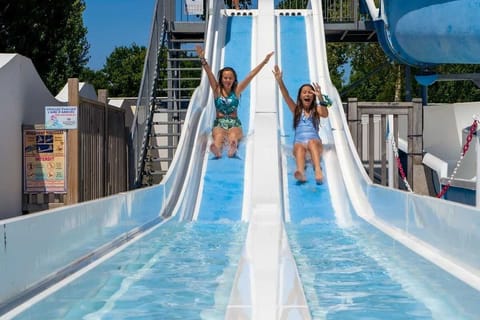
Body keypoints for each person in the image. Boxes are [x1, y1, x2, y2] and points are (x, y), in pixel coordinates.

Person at [196, 45, 274, 158]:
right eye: (225, 78)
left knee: (233, 136)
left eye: (230, 78)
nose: (228, 80)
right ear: (221, 79)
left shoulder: (237, 91)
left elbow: (250, 75)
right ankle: (217, 149)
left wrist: (264, 62)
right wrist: (202, 59)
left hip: (234, 123)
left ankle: (233, 147)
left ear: (234, 80)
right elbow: (209, 73)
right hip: (219, 122)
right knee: (219, 136)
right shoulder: (217, 90)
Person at [272, 65, 330, 184]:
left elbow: (325, 114)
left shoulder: (317, 109)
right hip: (300, 143)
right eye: (304, 93)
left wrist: (320, 97)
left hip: (315, 143)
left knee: (311, 142)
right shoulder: (296, 110)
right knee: (298, 146)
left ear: (313, 97)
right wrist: (279, 80)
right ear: (300, 96)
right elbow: (286, 96)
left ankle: (318, 170)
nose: (307, 94)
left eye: (310, 92)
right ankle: (300, 171)